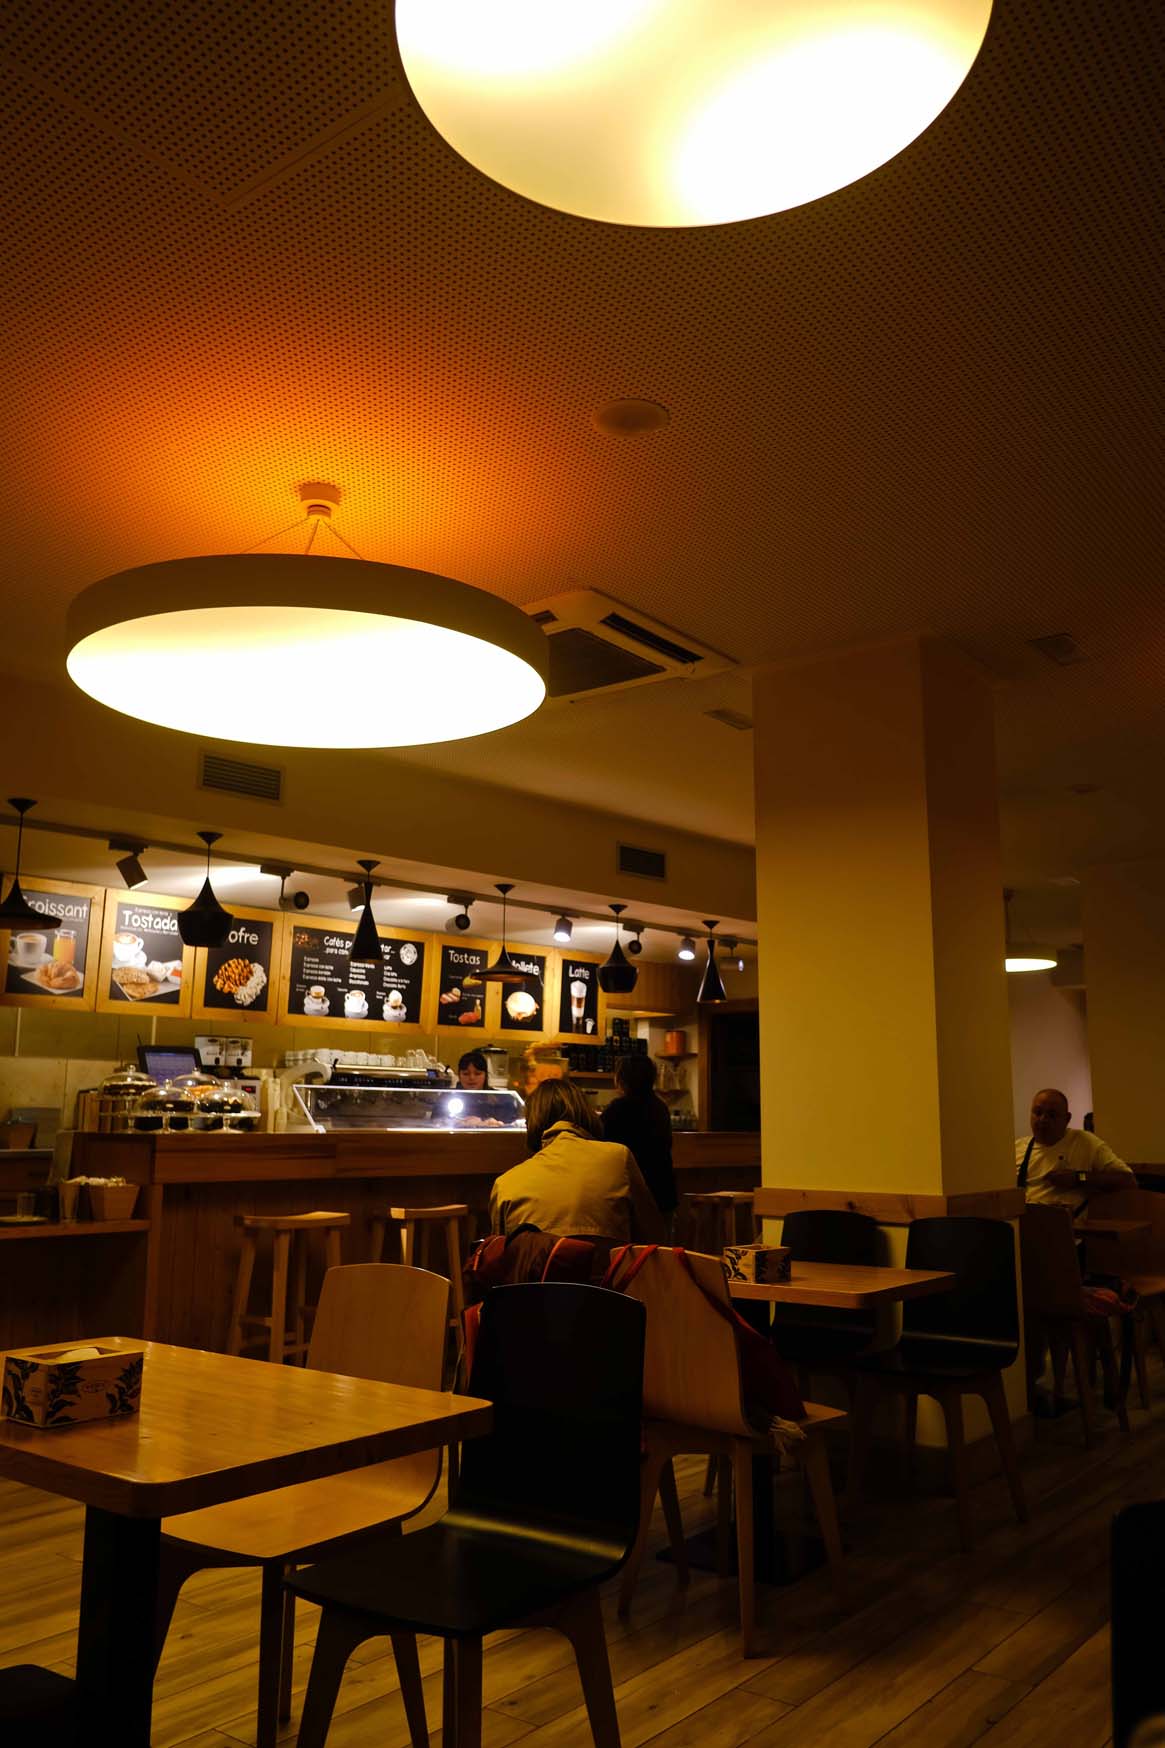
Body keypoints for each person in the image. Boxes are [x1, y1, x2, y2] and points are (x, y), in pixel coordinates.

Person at [490, 1076, 664, 1243]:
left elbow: (500, 1256)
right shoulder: (619, 1158)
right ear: (587, 1113)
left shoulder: (506, 1186)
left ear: (530, 1123)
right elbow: (653, 1234)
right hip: (610, 1264)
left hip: (540, 1265)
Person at [1015, 1088, 1133, 1209]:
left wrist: (1079, 1178)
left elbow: (1128, 1180)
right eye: (1038, 1112)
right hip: (1024, 1217)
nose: (1043, 1119)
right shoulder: (1017, 1148)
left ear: (1067, 1119)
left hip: (1067, 1219)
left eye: (1052, 1115)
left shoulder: (1085, 1142)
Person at [601, 1054, 677, 1222]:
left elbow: (602, 1147)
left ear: (622, 1079)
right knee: (660, 1237)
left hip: (629, 1193)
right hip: (662, 1191)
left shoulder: (617, 1109)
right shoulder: (660, 1107)